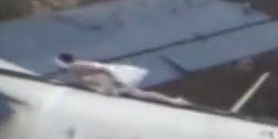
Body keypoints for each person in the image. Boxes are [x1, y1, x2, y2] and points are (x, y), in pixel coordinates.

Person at [55, 53, 190, 107]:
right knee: (140, 94)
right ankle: (174, 101)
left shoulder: (78, 66)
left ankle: (174, 101)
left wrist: (114, 86)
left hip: (115, 78)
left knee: (138, 93)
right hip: (116, 79)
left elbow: (102, 72)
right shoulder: (77, 66)